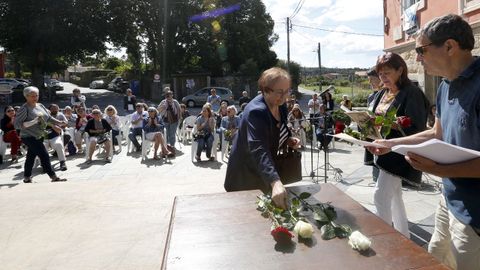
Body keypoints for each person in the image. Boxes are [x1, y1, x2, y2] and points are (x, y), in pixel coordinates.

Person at [368, 14, 480, 270]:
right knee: (434, 256)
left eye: (421, 50)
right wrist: (389, 145)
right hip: (449, 198)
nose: (416, 58)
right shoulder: (444, 86)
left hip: (475, 214)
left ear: (449, 46)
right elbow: (435, 133)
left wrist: (439, 170)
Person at [368, 52, 428, 238]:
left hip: (398, 152)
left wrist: (391, 123)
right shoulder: (383, 93)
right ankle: (403, 237)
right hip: (383, 150)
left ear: (400, 70)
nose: (382, 77)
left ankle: (387, 242)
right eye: (380, 74)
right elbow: (375, 117)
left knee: (380, 196)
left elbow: (417, 126)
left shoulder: (412, 92)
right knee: (395, 197)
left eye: (386, 72)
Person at [224, 67, 301, 209]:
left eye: (287, 91)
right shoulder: (256, 112)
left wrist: (288, 139)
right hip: (245, 177)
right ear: (265, 90)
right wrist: (275, 182)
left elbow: (279, 127)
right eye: (279, 92)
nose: (284, 96)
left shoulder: (280, 104)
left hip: (262, 174)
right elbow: (259, 149)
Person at [13, 86, 66, 183]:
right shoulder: (24, 109)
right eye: (32, 96)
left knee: (30, 156)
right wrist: (33, 121)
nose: (35, 98)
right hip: (28, 136)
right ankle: (53, 176)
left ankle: (27, 177)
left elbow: (48, 118)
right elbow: (17, 125)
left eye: (36, 95)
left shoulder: (40, 106)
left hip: (39, 135)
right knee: (44, 155)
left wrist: (59, 122)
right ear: (26, 96)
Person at [364, 68, 382, 182]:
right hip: (371, 134)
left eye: (372, 79)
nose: (370, 82)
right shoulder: (371, 96)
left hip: (382, 135)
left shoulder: (388, 95)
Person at [44, 104, 68, 171]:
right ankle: (44, 164)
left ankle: (62, 162)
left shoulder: (54, 120)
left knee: (59, 144)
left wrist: (51, 125)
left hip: (54, 137)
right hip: (43, 139)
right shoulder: (41, 121)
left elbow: (59, 130)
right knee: (42, 146)